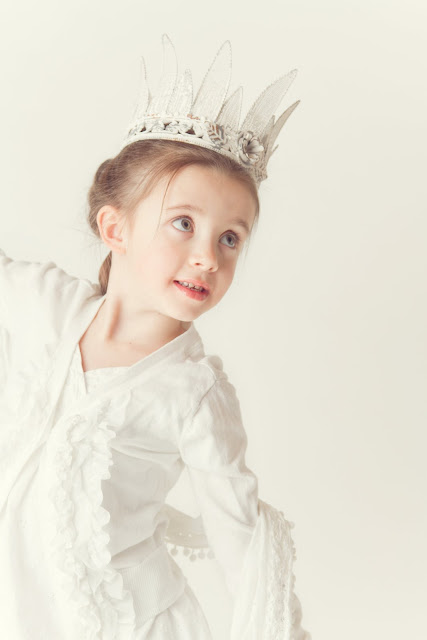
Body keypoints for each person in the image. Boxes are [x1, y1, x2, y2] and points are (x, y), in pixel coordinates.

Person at [0, 34, 311, 639]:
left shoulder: (191, 393)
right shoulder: (51, 307)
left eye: (230, 238)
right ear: (114, 228)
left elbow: (241, 541)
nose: (208, 257)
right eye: (183, 223)